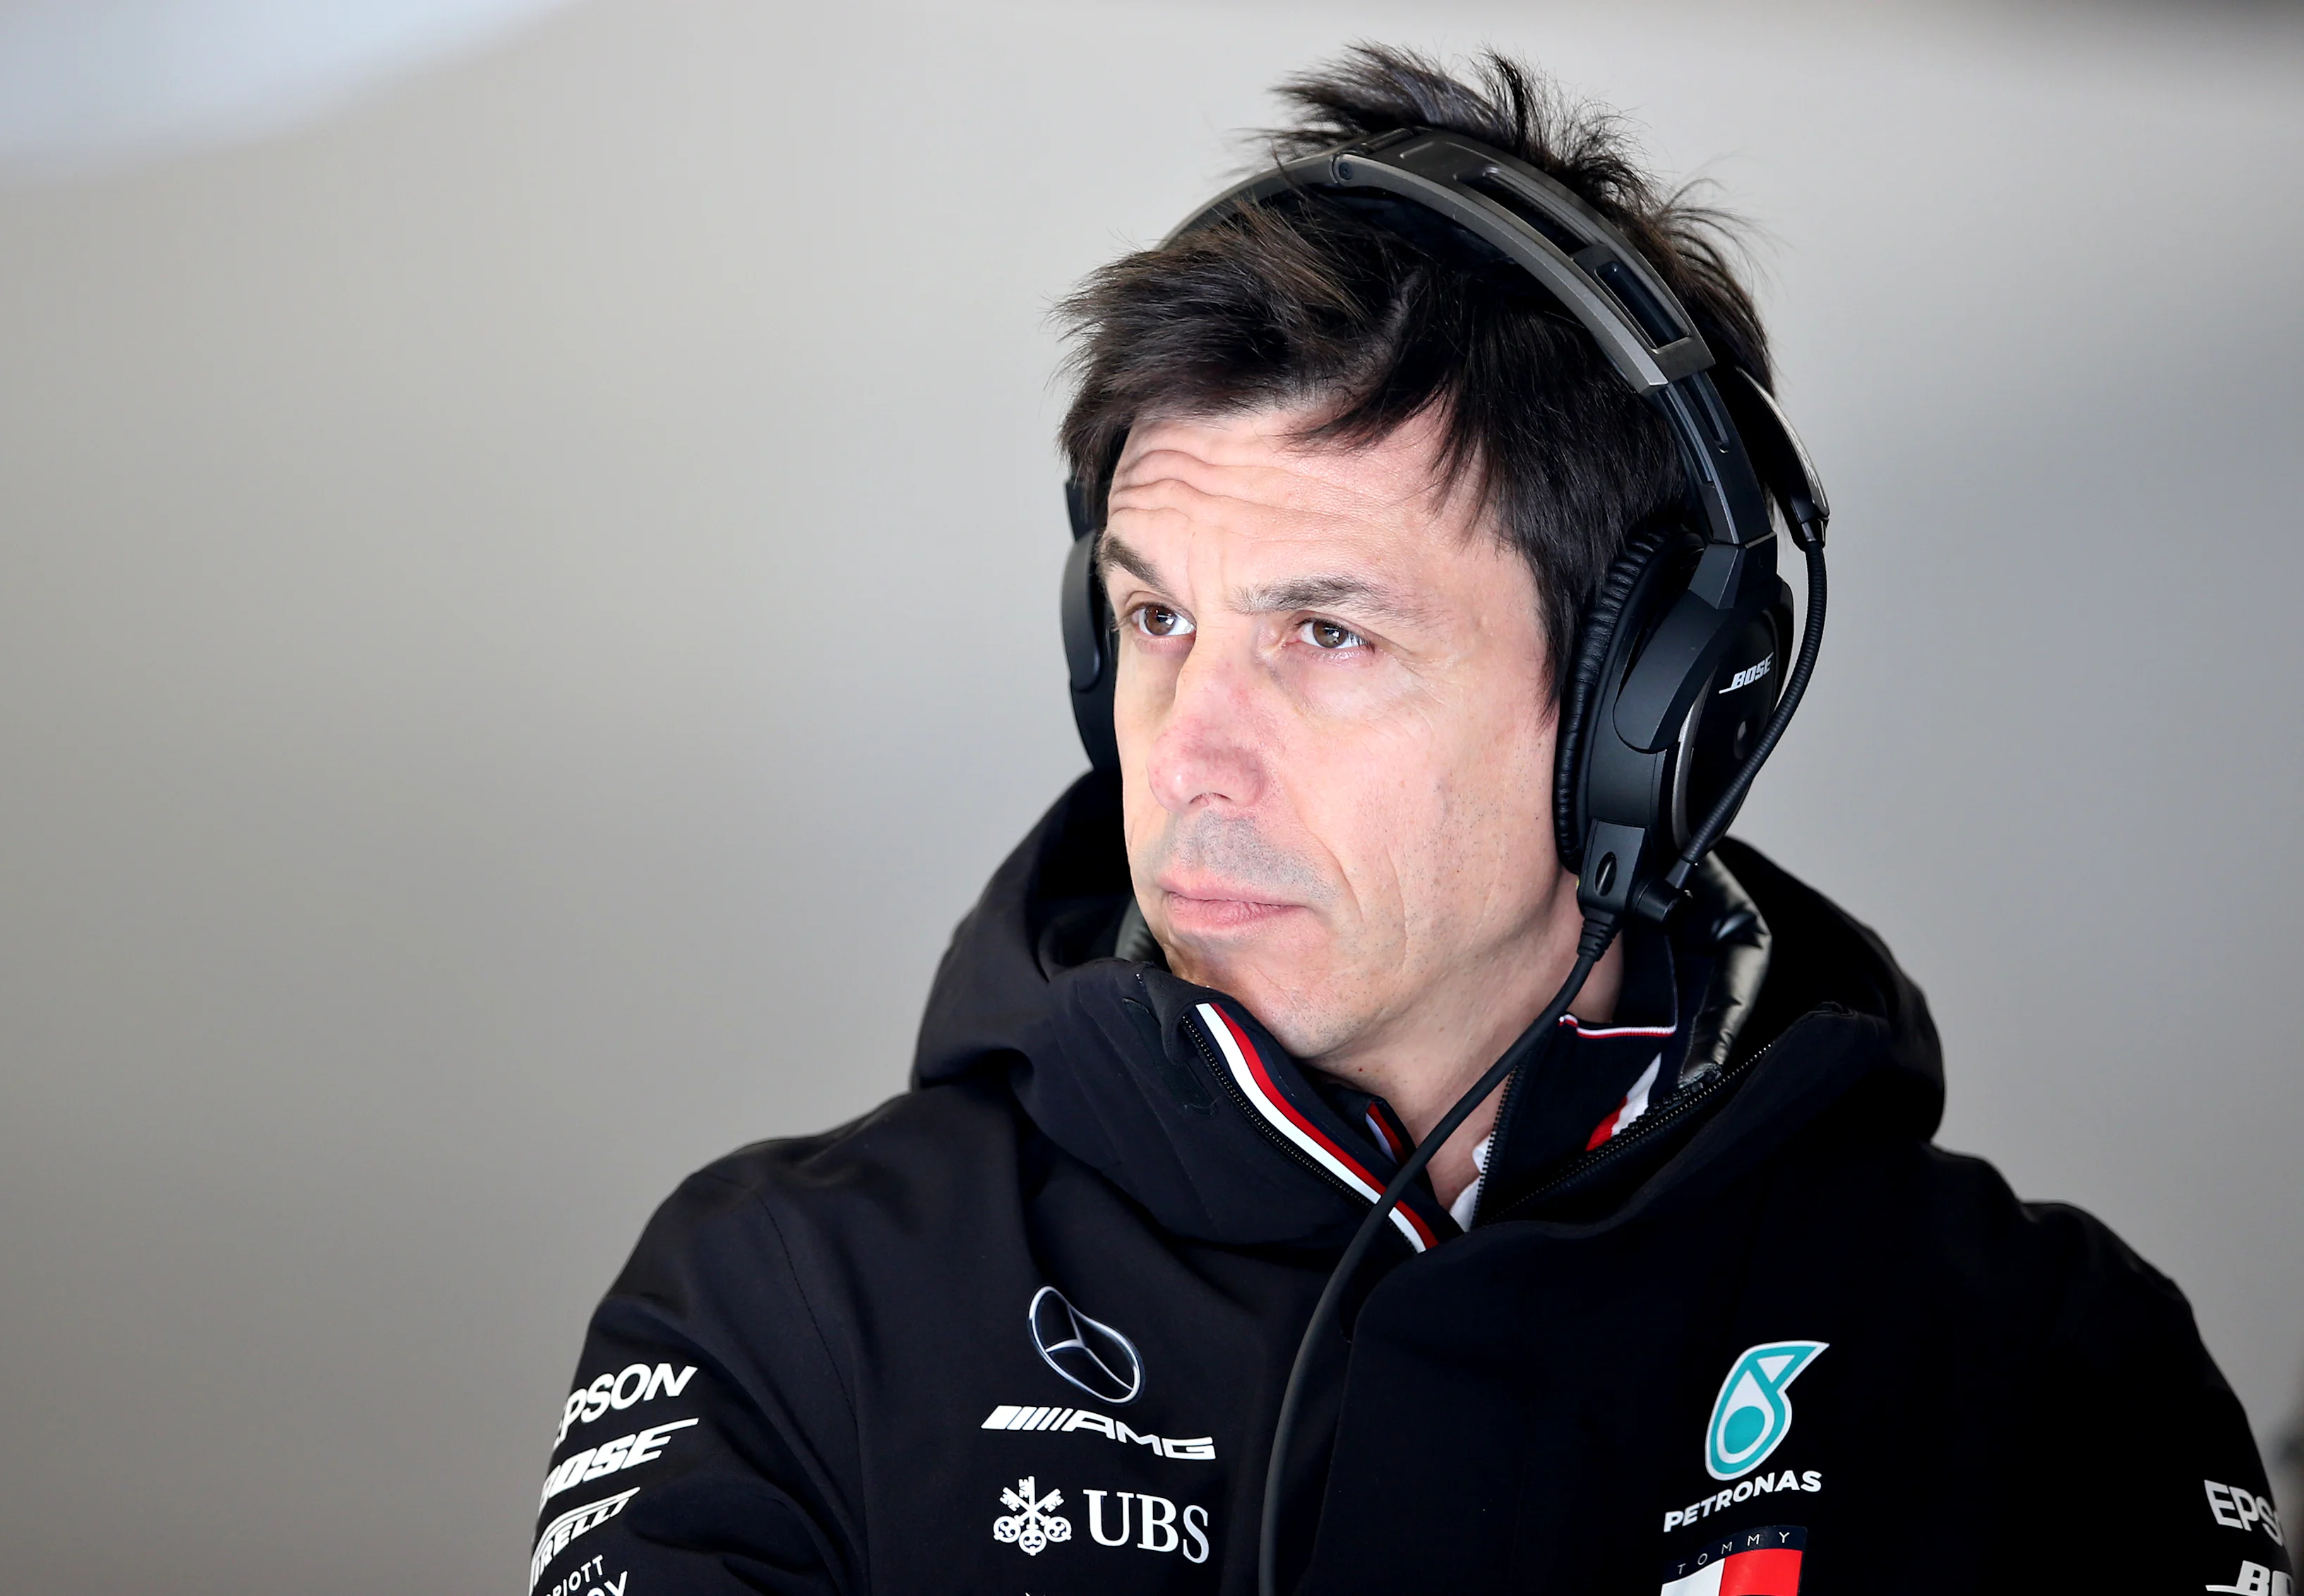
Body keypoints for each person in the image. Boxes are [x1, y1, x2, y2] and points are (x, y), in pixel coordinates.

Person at [526, 47, 2289, 1596]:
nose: (1186, 752)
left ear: (1644, 721)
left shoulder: (2043, 1360)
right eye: (1156, 618)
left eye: (1326, 633)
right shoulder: (782, 1300)